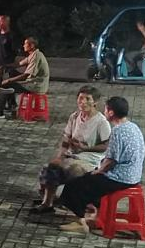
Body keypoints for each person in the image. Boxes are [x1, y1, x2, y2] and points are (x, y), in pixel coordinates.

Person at [56, 96, 144, 234]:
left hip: (119, 178)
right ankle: (98, 216)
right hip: (134, 176)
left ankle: (80, 222)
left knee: (73, 186)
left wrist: (99, 171)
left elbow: (112, 160)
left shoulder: (117, 131)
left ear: (111, 112)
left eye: (106, 109)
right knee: (89, 181)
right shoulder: (133, 127)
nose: (104, 111)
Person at [32, 85, 110, 214]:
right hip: (72, 156)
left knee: (74, 170)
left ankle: (79, 204)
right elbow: (66, 139)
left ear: (95, 102)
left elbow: (106, 145)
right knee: (50, 167)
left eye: (87, 99)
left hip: (90, 160)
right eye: (80, 98)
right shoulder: (74, 116)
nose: (83, 102)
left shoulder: (101, 122)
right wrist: (60, 156)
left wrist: (86, 148)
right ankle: (47, 202)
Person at [0, 36, 50, 117]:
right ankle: (10, 105)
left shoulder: (36, 56)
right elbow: (18, 64)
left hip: (36, 86)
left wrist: (9, 80)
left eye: (25, 44)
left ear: (32, 45)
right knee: (10, 72)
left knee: (6, 84)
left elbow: (25, 76)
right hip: (32, 81)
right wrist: (3, 67)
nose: (23, 45)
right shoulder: (33, 54)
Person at [0, 15, 17, 88]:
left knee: (8, 85)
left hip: (8, 65)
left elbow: (14, 52)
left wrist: (7, 65)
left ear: (6, 22)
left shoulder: (11, 35)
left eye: (0, 21)